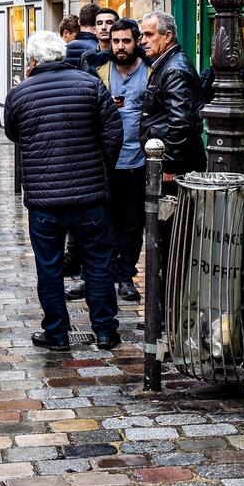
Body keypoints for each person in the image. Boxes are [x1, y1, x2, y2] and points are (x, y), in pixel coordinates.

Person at [5, 31, 124, 352]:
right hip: (89, 197)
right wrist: (100, 170)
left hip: (45, 200)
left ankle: (57, 333)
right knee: (98, 263)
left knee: (49, 266)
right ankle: (105, 331)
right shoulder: (91, 85)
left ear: (33, 60)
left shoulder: (19, 94)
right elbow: (114, 134)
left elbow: (13, 133)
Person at [92, 18, 148, 304]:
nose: (120, 46)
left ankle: (126, 275)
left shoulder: (150, 72)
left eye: (126, 41)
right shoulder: (100, 71)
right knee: (104, 221)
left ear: (136, 41)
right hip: (106, 159)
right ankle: (105, 273)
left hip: (138, 160)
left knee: (132, 222)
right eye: (116, 41)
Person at [139, 11, 205, 179]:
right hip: (168, 158)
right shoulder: (167, 65)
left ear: (167, 36)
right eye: (142, 35)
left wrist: (170, 164)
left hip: (177, 165)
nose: (143, 41)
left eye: (149, 34)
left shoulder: (174, 70)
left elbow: (180, 122)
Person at [86, 7, 118, 72]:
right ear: (95, 30)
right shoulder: (86, 57)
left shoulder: (121, 55)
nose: (103, 27)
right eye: (100, 23)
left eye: (109, 23)